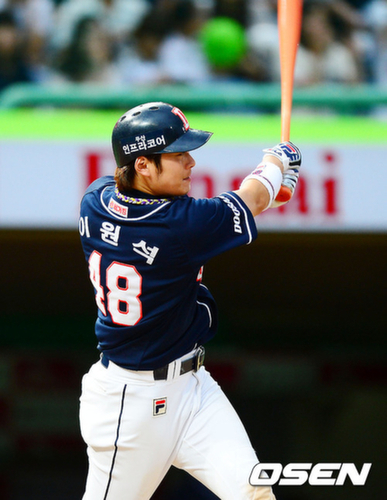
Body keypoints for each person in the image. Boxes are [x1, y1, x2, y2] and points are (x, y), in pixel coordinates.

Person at [78, 101, 302, 500]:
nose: (190, 163)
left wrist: (270, 190)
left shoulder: (95, 198)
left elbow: (241, 207)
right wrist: (277, 160)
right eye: (178, 154)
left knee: (253, 491)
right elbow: (249, 199)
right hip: (131, 403)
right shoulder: (178, 226)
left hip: (193, 389)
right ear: (143, 165)